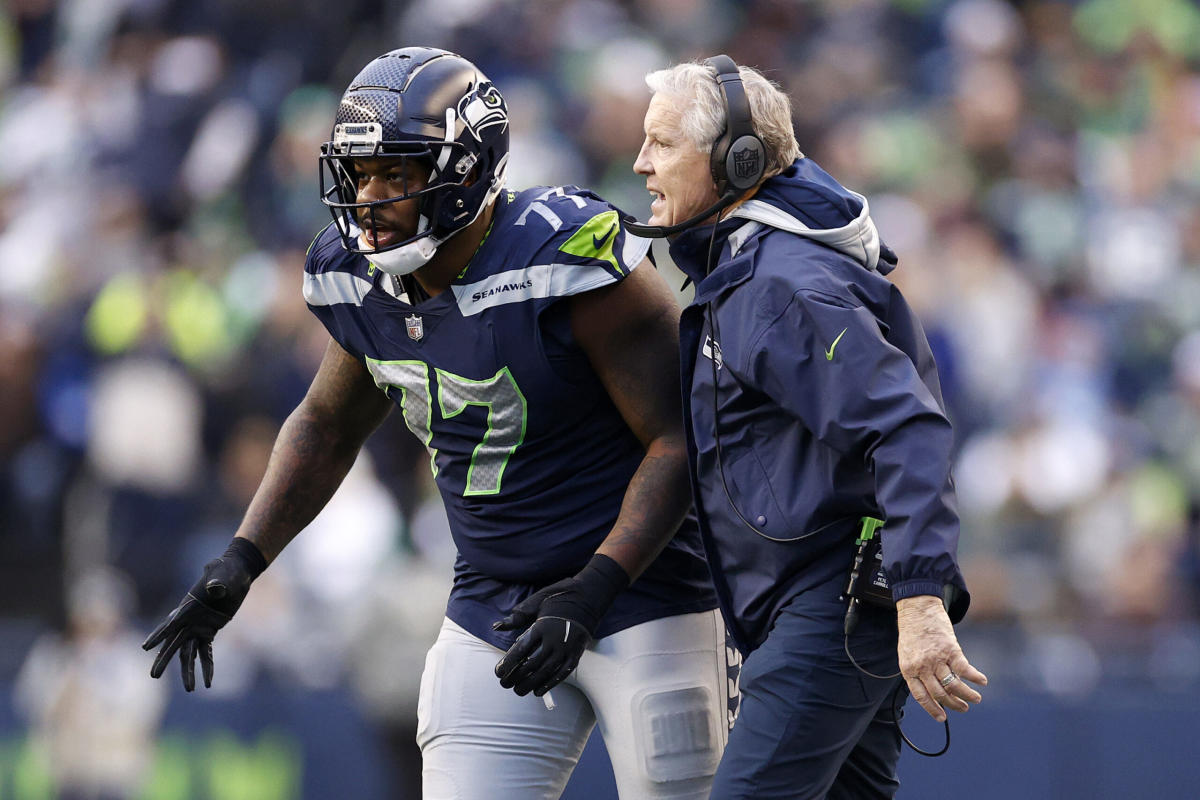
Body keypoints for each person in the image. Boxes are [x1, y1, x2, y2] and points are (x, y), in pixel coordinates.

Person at [143, 47, 732, 800]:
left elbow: (682, 436)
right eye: (361, 174)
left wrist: (595, 588)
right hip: (492, 598)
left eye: (398, 173)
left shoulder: (564, 257)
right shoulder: (358, 279)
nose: (371, 197)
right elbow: (325, 426)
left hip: (646, 593)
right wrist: (241, 561)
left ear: (465, 170)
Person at [629, 56, 987, 799]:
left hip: (832, 608)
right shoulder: (752, 272)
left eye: (663, 144)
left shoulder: (779, 284)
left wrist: (918, 602)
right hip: (831, 601)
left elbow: (910, 427)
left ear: (740, 160)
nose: (641, 164)